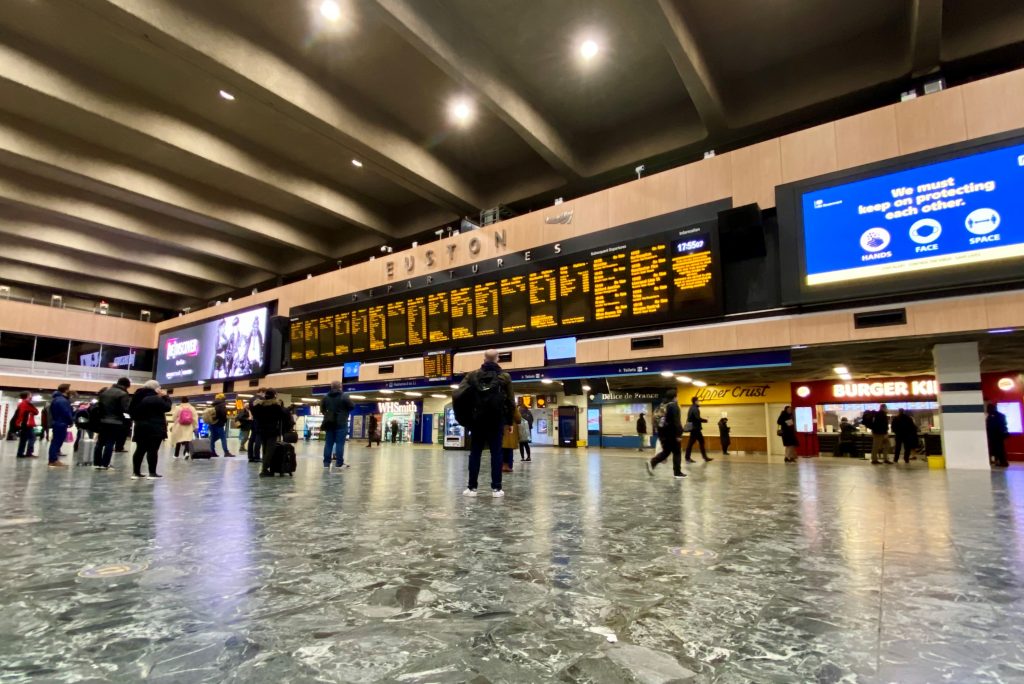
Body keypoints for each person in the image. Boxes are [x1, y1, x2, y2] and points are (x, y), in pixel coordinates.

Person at [456, 349, 515, 497]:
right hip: (496, 421)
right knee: (497, 453)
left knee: (475, 453)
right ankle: (496, 489)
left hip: (477, 421)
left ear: (484, 359)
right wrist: (509, 422)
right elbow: (511, 401)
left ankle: (471, 488)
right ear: (498, 359)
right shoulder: (505, 377)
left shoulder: (472, 375)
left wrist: (466, 419)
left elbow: (458, 395)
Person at [128, 380, 172, 479]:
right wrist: (166, 397)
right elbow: (167, 407)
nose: (161, 390)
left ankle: (136, 473)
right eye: (160, 388)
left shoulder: (137, 396)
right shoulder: (154, 398)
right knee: (153, 450)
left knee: (140, 450)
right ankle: (152, 473)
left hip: (140, 427)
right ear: (156, 388)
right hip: (155, 428)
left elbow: (131, 411)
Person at [253, 388, 294, 477]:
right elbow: (283, 415)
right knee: (270, 450)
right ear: (274, 395)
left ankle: (266, 468)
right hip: (272, 431)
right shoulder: (275, 406)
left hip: (261, 430)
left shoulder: (258, 406)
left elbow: (255, 415)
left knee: (264, 449)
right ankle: (264, 469)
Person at [93, 377, 131, 470]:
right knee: (110, 442)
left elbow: (99, 406)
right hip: (115, 422)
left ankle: (97, 463)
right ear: (127, 385)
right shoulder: (123, 394)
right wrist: (127, 419)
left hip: (102, 421)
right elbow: (125, 409)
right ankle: (105, 464)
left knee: (100, 443)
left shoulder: (105, 392)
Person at [647, 389, 685, 478]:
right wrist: (679, 434)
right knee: (677, 452)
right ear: (675, 397)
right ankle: (677, 472)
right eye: (677, 396)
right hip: (672, 434)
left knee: (666, 452)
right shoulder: (674, 406)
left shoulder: (662, 405)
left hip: (662, 433)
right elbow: (676, 422)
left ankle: (652, 462)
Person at [320, 380, 355, 471]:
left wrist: (328, 415)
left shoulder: (326, 397)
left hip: (329, 423)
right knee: (340, 444)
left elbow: (322, 409)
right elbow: (352, 406)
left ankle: (326, 463)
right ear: (340, 387)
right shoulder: (344, 396)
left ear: (331, 387)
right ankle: (339, 463)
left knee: (328, 444)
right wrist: (344, 412)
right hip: (341, 423)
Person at [47, 383, 73, 468]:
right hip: (61, 423)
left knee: (55, 442)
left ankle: (53, 459)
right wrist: (70, 421)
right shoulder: (62, 400)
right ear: (66, 390)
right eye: (69, 389)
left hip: (57, 422)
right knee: (57, 442)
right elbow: (66, 412)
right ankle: (53, 460)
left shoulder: (56, 399)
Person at [684, 396, 712, 464]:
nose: (699, 402)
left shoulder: (691, 408)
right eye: (698, 401)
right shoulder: (695, 409)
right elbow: (697, 418)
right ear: (695, 401)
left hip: (694, 428)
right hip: (695, 429)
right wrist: (705, 420)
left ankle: (704, 457)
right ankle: (689, 457)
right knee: (695, 443)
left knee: (698, 442)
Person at [13, 391, 39, 459]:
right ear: (27, 396)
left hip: (23, 424)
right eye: (30, 395)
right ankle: (29, 453)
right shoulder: (26, 404)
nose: (31, 396)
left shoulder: (21, 403)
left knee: (23, 439)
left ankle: (20, 453)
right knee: (32, 438)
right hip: (26, 425)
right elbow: (36, 412)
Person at [209, 393, 234, 457]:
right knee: (223, 437)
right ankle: (226, 452)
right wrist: (225, 420)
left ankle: (212, 452)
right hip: (219, 423)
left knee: (212, 437)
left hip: (212, 423)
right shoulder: (222, 404)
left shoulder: (213, 404)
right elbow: (223, 414)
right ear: (222, 398)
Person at [987, 403, 1009, 468]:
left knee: (998, 449)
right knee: (999, 448)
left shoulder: (992, 416)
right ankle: (1001, 461)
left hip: (996, 435)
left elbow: (992, 426)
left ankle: (1002, 461)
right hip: (998, 435)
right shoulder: (1000, 415)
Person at [247, 388, 266, 463]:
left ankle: (250, 456)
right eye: (264, 393)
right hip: (260, 421)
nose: (264, 395)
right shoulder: (262, 399)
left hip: (253, 420)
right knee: (259, 438)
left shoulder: (251, 399)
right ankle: (257, 456)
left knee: (251, 439)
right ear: (261, 392)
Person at [502, 405, 521, 472]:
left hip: (499, 429)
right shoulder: (511, 405)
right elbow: (518, 418)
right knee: (509, 449)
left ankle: (500, 465)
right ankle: (508, 466)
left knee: (500, 449)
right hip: (510, 430)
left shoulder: (497, 401)